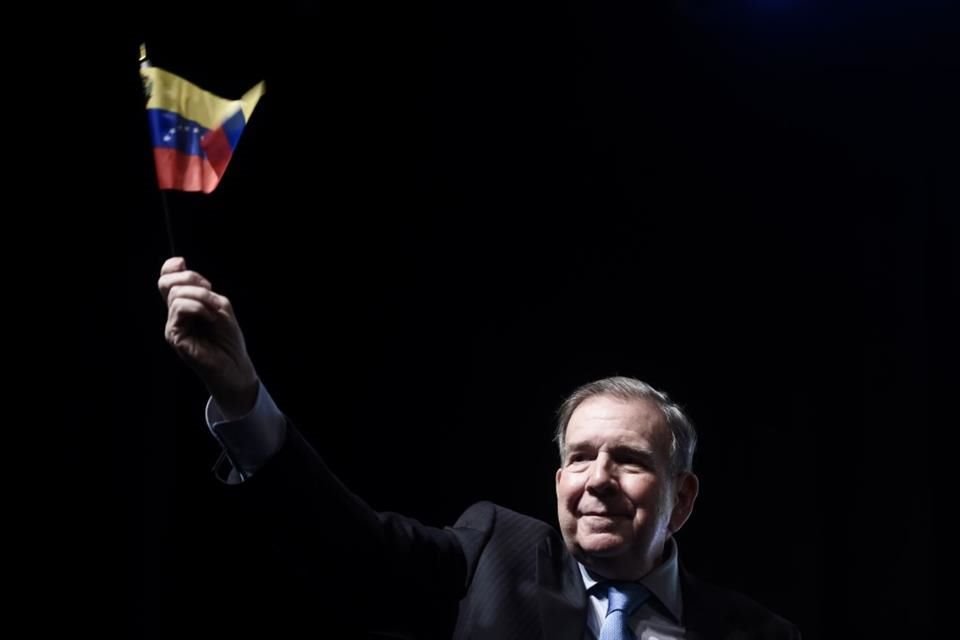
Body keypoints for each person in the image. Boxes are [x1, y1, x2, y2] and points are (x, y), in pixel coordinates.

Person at [159, 256, 801, 639]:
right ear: (558, 484)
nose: (597, 478)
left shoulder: (756, 633)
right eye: (579, 457)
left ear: (681, 497)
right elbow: (343, 543)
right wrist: (243, 396)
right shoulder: (494, 550)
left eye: (628, 459)